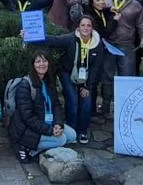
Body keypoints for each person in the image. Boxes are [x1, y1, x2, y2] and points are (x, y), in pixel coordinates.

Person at [26, 15, 105, 144]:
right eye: (83, 25)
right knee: (73, 100)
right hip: (67, 72)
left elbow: (97, 67)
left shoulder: (97, 43)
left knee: (86, 100)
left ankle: (83, 130)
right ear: (78, 27)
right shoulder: (70, 38)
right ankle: (72, 129)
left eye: (88, 25)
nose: (85, 28)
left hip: (85, 76)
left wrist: (88, 86)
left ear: (92, 28)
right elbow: (52, 40)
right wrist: (30, 36)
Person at [8, 50, 76, 163]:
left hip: (46, 122)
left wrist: (58, 124)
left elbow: (56, 105)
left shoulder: (48, 80)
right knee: (61, 140)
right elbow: (27, 117)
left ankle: (39, 148)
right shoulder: (25, 85)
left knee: (72, 135)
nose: (41, 64)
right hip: (26, 129)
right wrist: (50, 130)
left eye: (44, 61)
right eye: (38, 61)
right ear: (33, 65)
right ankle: (26, 148)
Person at [102, 0, 143, 119]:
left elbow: (141, 24)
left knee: (126, 76)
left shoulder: (136, 5)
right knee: (107, 75)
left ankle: (126, 106)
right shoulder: (107, 3)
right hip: (109, 44)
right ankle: (105, 106)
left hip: (127, 44)